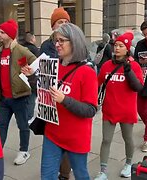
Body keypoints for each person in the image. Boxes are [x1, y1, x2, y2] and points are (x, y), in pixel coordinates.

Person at [37, 23, 98, 180]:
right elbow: (42, 90)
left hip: (76, 137)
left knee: (80, 174)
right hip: (52, 133)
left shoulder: (87, 72)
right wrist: (31, 76)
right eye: (56, 41)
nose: (57, 45)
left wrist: (64, 99)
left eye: (61, 41)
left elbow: (90, 110)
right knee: (47, 175)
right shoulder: (53, 66)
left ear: (74, 42)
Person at [95, 32, 144, 179]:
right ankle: (103, 171)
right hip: (109, 110)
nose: (117, 48)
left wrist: (128, 72)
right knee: (106, 140)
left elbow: (138, 87)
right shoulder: (106, 66)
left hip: (126, 111)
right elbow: (97, 84)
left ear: (127, 48)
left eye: (121, 46)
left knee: (128, 139)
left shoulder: (134, 66)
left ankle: (129, 164)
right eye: (115, 45)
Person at [0, 19, 37, 165]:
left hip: (19, 97)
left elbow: (34, 63)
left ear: (10, 35)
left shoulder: (20, 50)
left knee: (23, 125)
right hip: (4, 98)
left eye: (2, 32)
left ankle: (24, 151)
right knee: (1, 125)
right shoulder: (0, 51)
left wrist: (29, 73)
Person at [39, 7, 72, 180]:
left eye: (67, 22)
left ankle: (65, 174)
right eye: (60, 22)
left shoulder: (74, 44)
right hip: (49, 102)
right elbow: (41, 74)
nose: (64, 25)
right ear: (53, 26)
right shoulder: (45, 46)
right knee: (52, 139)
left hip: (66, 98)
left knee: (66, 142)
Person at [134, 20, 147, 152]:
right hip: (142, 80)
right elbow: (135, 62)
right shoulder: (140, 44)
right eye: (145, 34)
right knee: (141, 110)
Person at [22, 31, 40, 124]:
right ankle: (29, 117)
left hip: (22, 75)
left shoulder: (21, 48)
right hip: (32, 76)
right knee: (32, 97)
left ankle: (24, 115)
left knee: (25, 98)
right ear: (32, 39)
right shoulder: (34, 49)